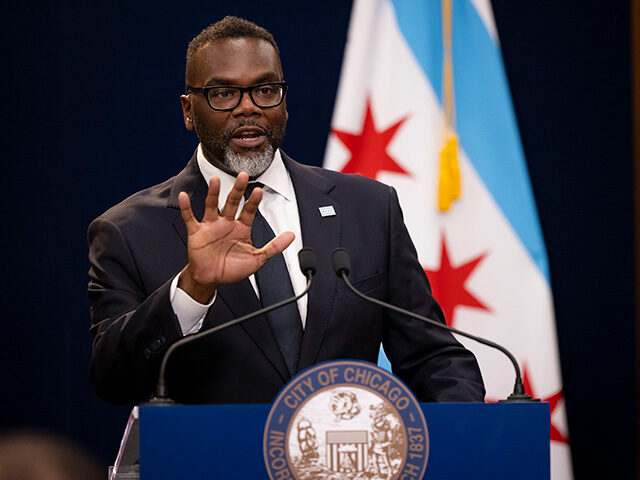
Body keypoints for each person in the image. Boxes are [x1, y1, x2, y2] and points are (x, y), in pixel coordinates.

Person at [88, 16, 484, 405]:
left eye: (265, 89)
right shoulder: (128, 232)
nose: (248, 108)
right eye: (224, 93)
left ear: (284, 101)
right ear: (189, 110)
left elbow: (433, 358)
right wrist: (193, 288)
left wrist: (465, 433)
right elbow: (113, 380)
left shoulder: (368, 208)